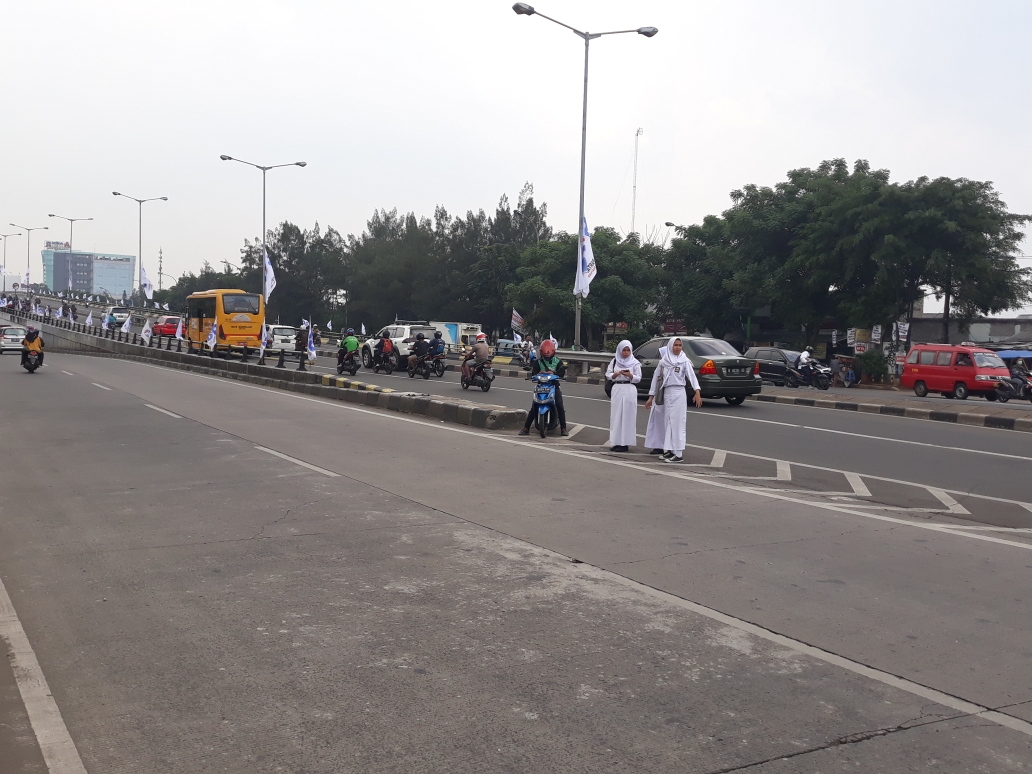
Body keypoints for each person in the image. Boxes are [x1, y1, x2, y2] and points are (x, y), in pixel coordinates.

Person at [644, 336, 702, 463]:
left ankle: (678, 453)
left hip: (679, 392)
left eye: (679, 345)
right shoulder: (663, 362)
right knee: (668, 422)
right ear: (670, 346)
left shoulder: (684, 360)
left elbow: (691, 376)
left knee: (678, 423)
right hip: (667, 393)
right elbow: (656, 379)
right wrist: (651, 397)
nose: (677, 347)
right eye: (675, 345)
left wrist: (697, 391)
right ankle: (669, 450)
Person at [519, 339, 568, 436]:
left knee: (559, 405)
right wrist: (537, 373)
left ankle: (563, 428)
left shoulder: (558, 362)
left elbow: (562, 373)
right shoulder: (537, 362)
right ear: (541, 353)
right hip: (541, 386)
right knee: (534, 406)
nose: (547, 357)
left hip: (554, 386)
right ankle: (526, 428)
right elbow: (534, 373)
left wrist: (554, 373)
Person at [606, 340, 641, 452]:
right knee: (616, 416)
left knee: (628, 416)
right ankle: (616, 442)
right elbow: (608, 374)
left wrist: (630, 375)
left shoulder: (635, 362)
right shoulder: (615, 361)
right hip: (617, 388)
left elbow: (638, 378)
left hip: (629, 389)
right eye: (624, 350)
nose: (626, 353)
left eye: (628, 350)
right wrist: (615, 374)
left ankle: (625, 443)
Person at [643, 345, 669, 454]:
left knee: (667, 423)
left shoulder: (674, 364)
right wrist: (651, 397)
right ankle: (658, 445)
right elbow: (655, 380)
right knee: (657, 422)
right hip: (659, 397)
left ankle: (666, 446)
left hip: (669, 397)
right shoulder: (661, 365)